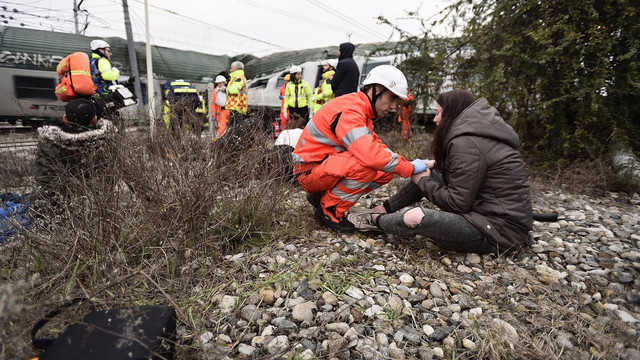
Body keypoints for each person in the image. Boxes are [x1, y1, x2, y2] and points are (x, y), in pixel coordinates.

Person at [349, 89, 533, 254]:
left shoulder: (466, 143)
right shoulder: (478, 136)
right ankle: (384, 209)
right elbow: (473, 170)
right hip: (494, 217)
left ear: (451, 113)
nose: (435, 119)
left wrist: (423, 181)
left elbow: (457, 203)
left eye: (438, 113)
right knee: (428, 175)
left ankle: (375, 220)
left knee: (416, 216)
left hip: (497, 233)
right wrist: (433, 165)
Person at [292, 65, 429, 232]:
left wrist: (404, 163)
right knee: (367, 165)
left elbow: (377, 147)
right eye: (392, 98)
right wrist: (410, 168)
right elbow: (370, 155)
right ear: (376, 90)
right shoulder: (351, 111)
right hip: (309, 172)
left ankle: (324, 196)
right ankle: (329, 209)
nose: (394, 107)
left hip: (318, 167)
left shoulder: (359, 109)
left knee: (386, 170)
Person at [33, 98, 114, 211]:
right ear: (95, 119)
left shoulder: (49, 143)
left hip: (56, 207)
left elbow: (43, 180)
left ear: (65, 119)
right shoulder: (108, 141)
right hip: (98, 206)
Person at [89, 39, 120, 118]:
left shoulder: (92, 61)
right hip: (103, 93)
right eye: (108, 51)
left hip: (95, 94)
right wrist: (116, 72)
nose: (111, 53)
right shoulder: (102, 60)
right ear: (101, 50)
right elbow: (107, 76)